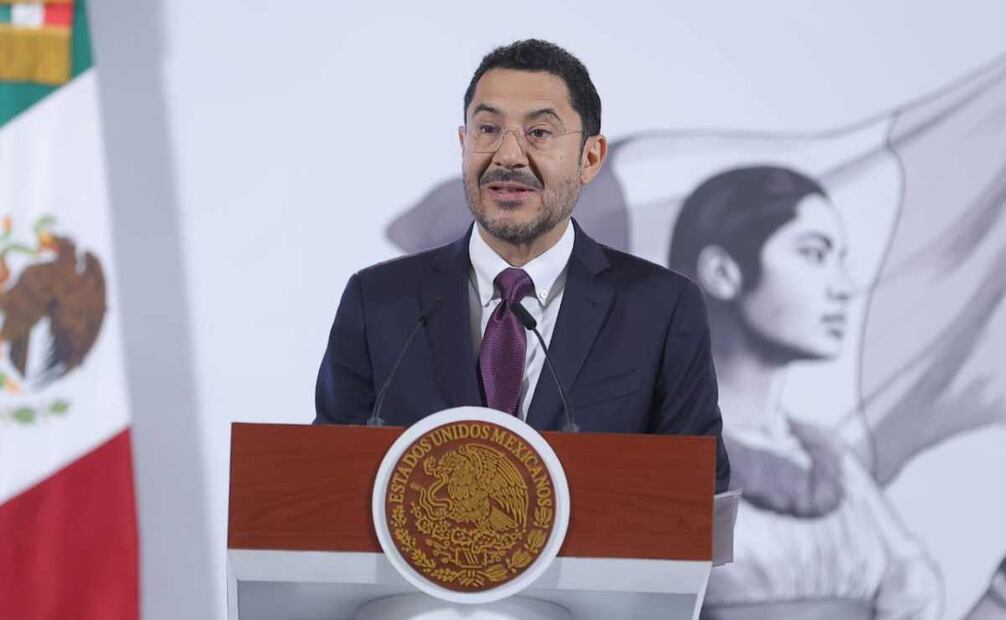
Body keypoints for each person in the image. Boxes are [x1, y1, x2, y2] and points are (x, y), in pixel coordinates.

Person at [314, 39, 730, 493]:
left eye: (539, 133)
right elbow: (326, 480)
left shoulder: (661, 308)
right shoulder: (377, 302)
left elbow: (700, 496)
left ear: (590, 158)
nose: (508, 156)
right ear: (464, 144)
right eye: (488, 129)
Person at [667, 166, 942, 619]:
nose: (844, 287)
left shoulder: (835, 464)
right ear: (723, 272)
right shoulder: (658, 451)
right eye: (814, 254)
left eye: (839, 259)